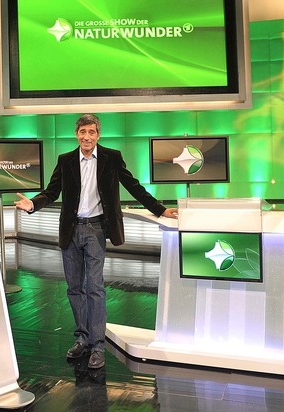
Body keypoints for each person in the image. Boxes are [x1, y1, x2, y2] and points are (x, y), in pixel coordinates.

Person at [14, 113, 178, 369]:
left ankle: (98, 346)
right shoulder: (66, 160)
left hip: (96, 229)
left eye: (91, 132)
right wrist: (33, 204)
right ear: (76, 134)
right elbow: (52, 191)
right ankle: (82, 338)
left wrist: (160, 209)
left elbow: (133, 186)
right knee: (74, 288)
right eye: (82, 132)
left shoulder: (112, 157)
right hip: (71, 230)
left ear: (98, 135)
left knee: (95, 288)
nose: (87, 137)